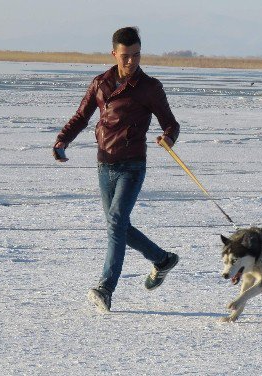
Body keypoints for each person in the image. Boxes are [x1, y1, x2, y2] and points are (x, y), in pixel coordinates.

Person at [53, 27, 180, 312]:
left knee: (116, 223)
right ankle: (162, 260)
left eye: (136, 55)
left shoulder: (149, 87)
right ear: (114, 54)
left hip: (133, 165)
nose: (131, 62)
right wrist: (63, 139)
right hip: (104, 164)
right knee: (118, 226)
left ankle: (105, 288)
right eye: (125, 56)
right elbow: (81, 116)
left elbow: (171, 123)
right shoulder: (100, 83)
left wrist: (168, 138)